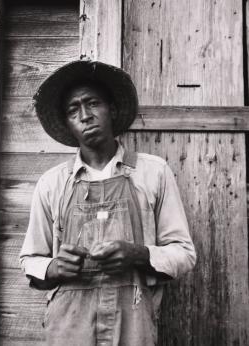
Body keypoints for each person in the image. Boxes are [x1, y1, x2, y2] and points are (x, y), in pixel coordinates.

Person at [20, 60, 196, 346]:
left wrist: (138, 255)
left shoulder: (153, 172)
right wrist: (53, 268)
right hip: (69, 325)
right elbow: (30, 259)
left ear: (111, 110)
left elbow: (184, 254)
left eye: (92, 103)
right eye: (73, 110)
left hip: (134, 322)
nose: (85, 116)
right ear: (67, 123)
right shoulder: (52, 183)